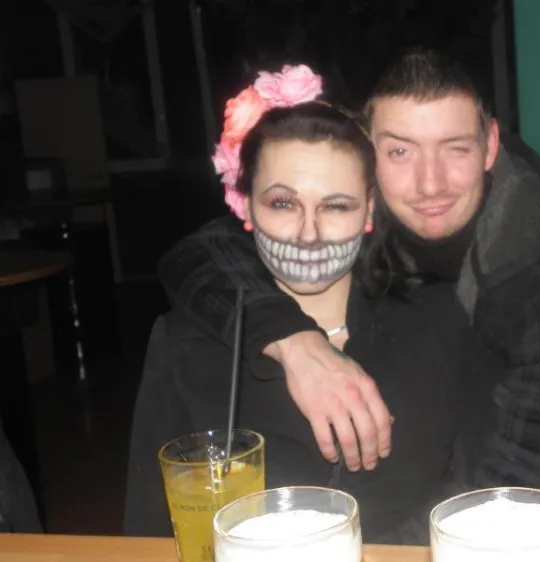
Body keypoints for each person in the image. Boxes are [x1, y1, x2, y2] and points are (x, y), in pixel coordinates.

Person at [156, 50, 540, 555]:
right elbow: (207, 249)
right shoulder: (374, 216)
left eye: (456, 148)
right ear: (368, 153)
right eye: (400, 150)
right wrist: (294, 341)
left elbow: (505, 496)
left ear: (490, 145)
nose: (429, 184)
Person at [123, 65, 464, 544]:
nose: (308, 234)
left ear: (370, 209)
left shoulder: (439, 320)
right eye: (283, 203)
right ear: (245, 205)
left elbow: (467, 495)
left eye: (336, 205)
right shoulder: (183, 342)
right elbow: (148, 534)